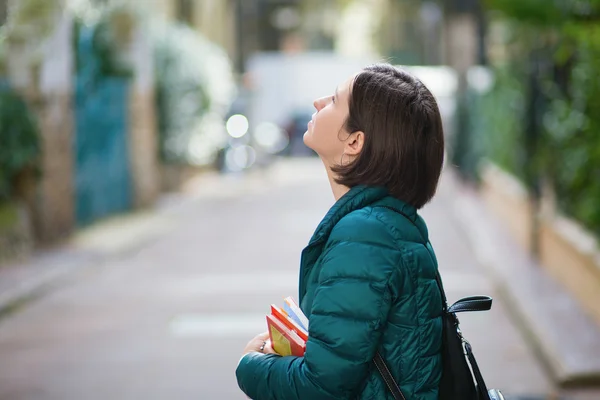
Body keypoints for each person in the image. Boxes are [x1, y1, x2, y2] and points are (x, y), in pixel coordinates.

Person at [236, 63, 445, 400]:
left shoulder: (366, 236)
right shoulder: (388, 225)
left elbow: (321, 387)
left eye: (334, 100)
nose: (318, 102)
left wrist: (251, 364)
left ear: (355, 141)